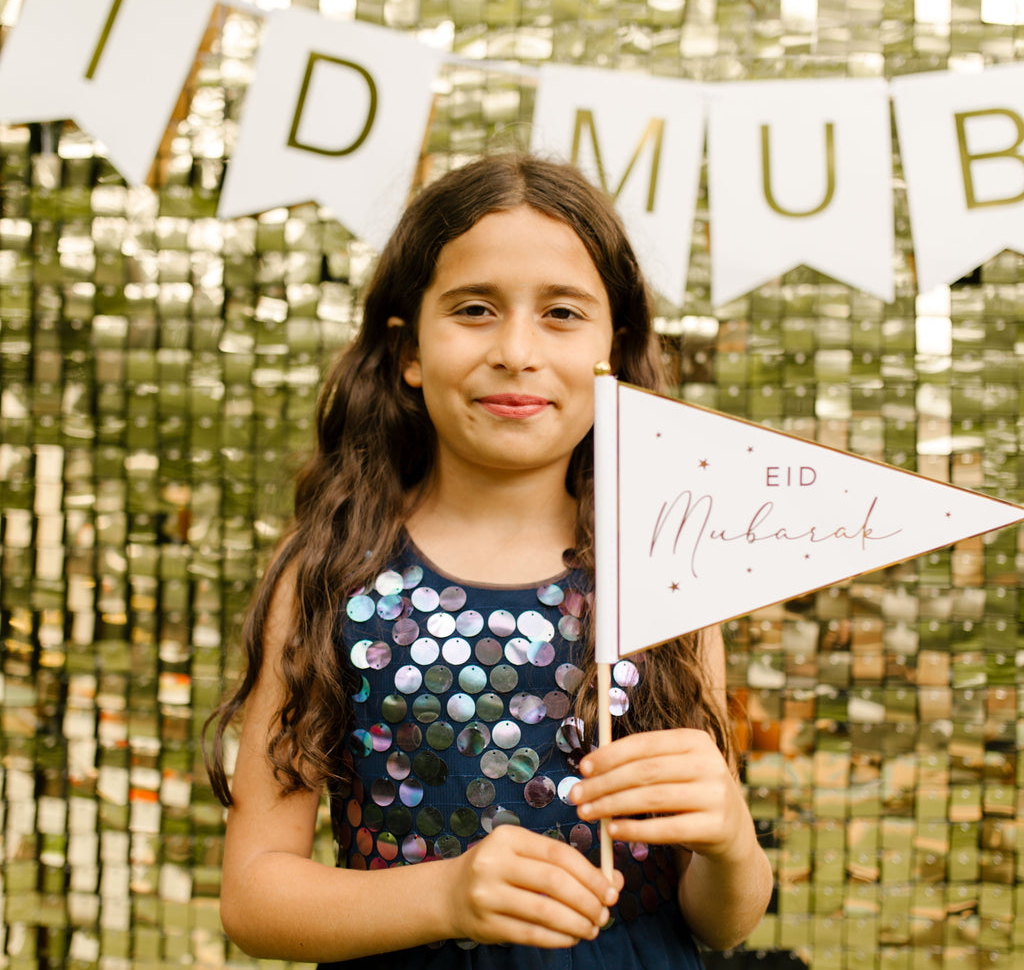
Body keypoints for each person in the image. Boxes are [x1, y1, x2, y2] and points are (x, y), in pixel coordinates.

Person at [203, 153, 773, 968]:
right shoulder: (331, 574)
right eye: (474, 309)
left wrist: (729, 839)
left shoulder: (661, 570)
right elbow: (255, 896)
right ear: (407, 349)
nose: (515, 349)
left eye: (563, 314)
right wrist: (446, 894)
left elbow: (726, 923)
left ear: (615, 348)